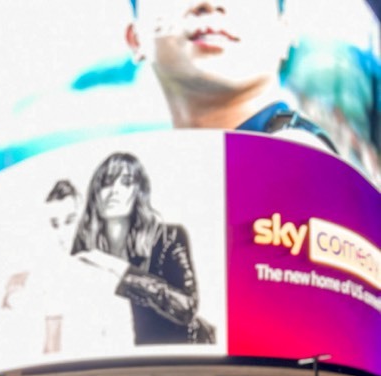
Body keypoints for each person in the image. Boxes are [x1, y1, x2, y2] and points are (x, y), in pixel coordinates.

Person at [125, 0, 337, 153]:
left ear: (285, 33)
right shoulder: (156, 172)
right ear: (135, 38)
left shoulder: (296, 152)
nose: (209, 4)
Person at [72, 152, 215, 345]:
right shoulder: (84, 244)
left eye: (126, 182)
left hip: (180, 352)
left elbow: (186, 307)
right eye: (107, 182)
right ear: (95, 192)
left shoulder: (167, 237)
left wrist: (119, 269)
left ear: (139, 191)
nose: (115, 190)